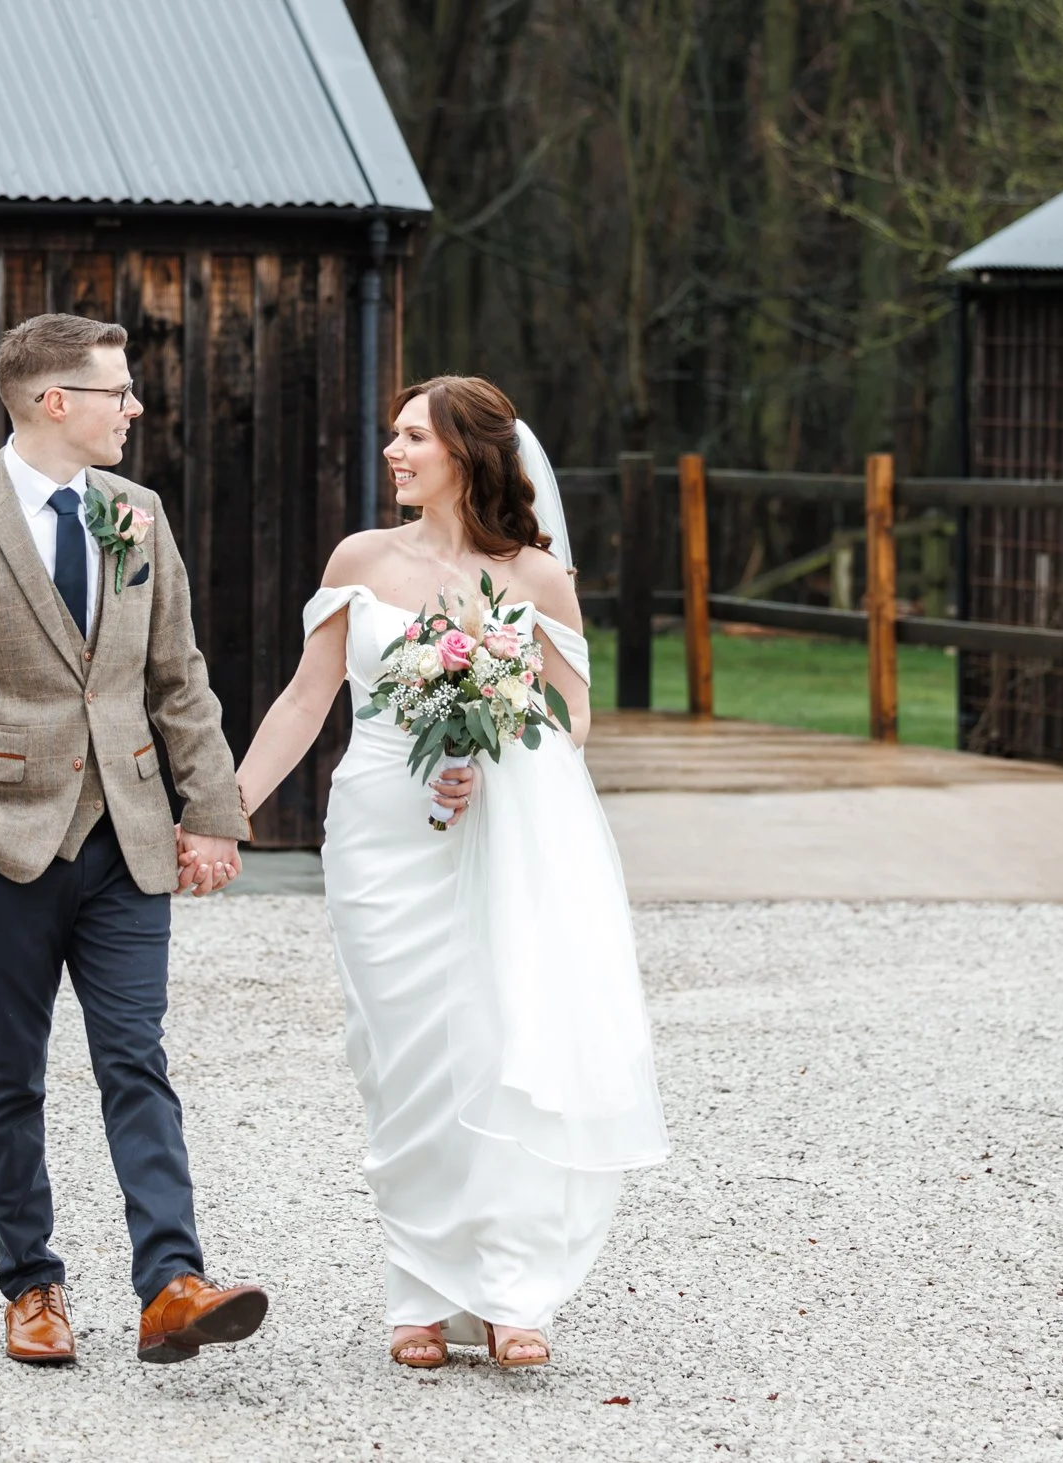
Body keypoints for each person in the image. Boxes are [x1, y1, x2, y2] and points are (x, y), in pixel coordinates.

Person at [230, 376, 669, 1369]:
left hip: (494, 835)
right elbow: (305, 701)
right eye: (391, 434)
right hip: (380, 833)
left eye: (412, 436)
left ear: (467, 454)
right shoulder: (360, 560)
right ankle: (418, 1290)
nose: (392, 451)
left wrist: (496, 744)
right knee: (401, 1059)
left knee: (499, 1039)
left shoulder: (537, 579)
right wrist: (229, 803)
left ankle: (513, 1291)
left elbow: (573, 714)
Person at [0, 313, 267, 1367]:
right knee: (12, 1066)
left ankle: (171, 1284)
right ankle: (31, 1285)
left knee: (135, 1056)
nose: (132, 407)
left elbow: (175, 675)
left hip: (128, 842)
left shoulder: (137, 514)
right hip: (1, 845)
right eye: (116, 391)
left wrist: (213, 811)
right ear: (56, 401)